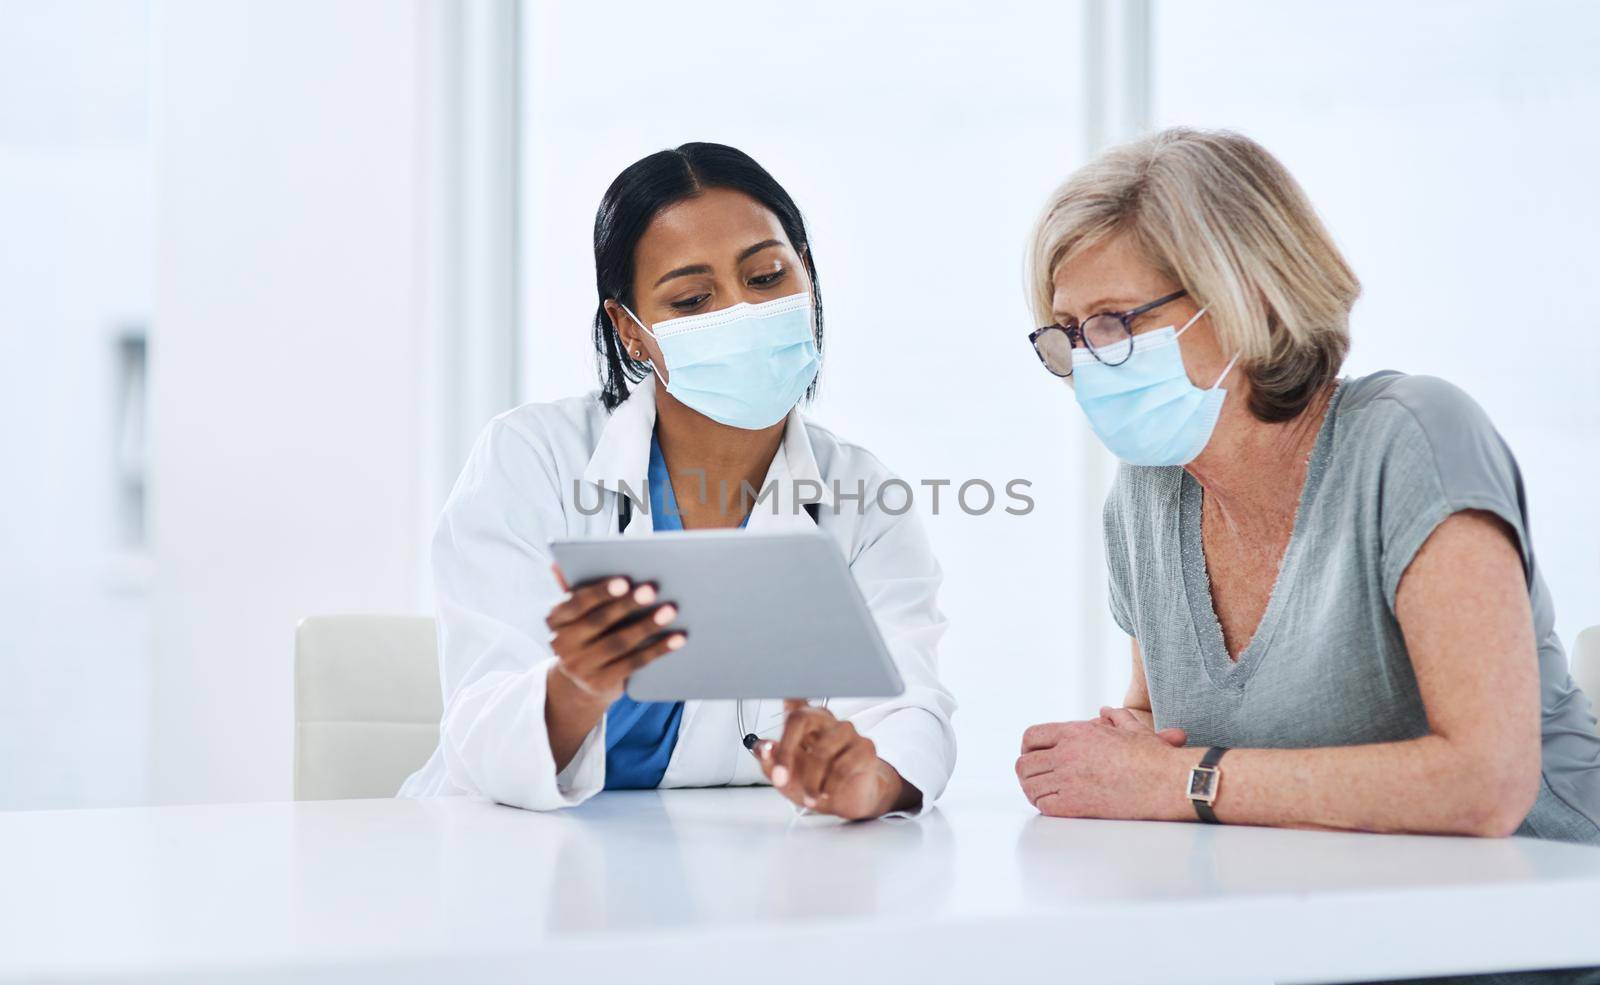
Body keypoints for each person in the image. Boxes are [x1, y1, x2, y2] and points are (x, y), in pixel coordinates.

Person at [1016, 127, 1600, 852]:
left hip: (1546, 921)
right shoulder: (1143, 497)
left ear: (1248, 298)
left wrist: (1178, 782)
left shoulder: (1411, 439)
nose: (1088, 361)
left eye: (1114, 322)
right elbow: (1157, 736)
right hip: (1331, 925)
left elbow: (1486, 784)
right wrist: (1111, 757)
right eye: (1067, 333)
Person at [400, 142, 955, 820]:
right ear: (630, 331)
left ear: (806, 275)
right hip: (516, 855)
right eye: (693, 298)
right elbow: (479, 725)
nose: (740, 312)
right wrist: (576, 687)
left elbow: (908, 706)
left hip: (742, 862)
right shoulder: (532, 458)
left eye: (767, 276)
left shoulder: (865, 499)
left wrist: (874, 779)